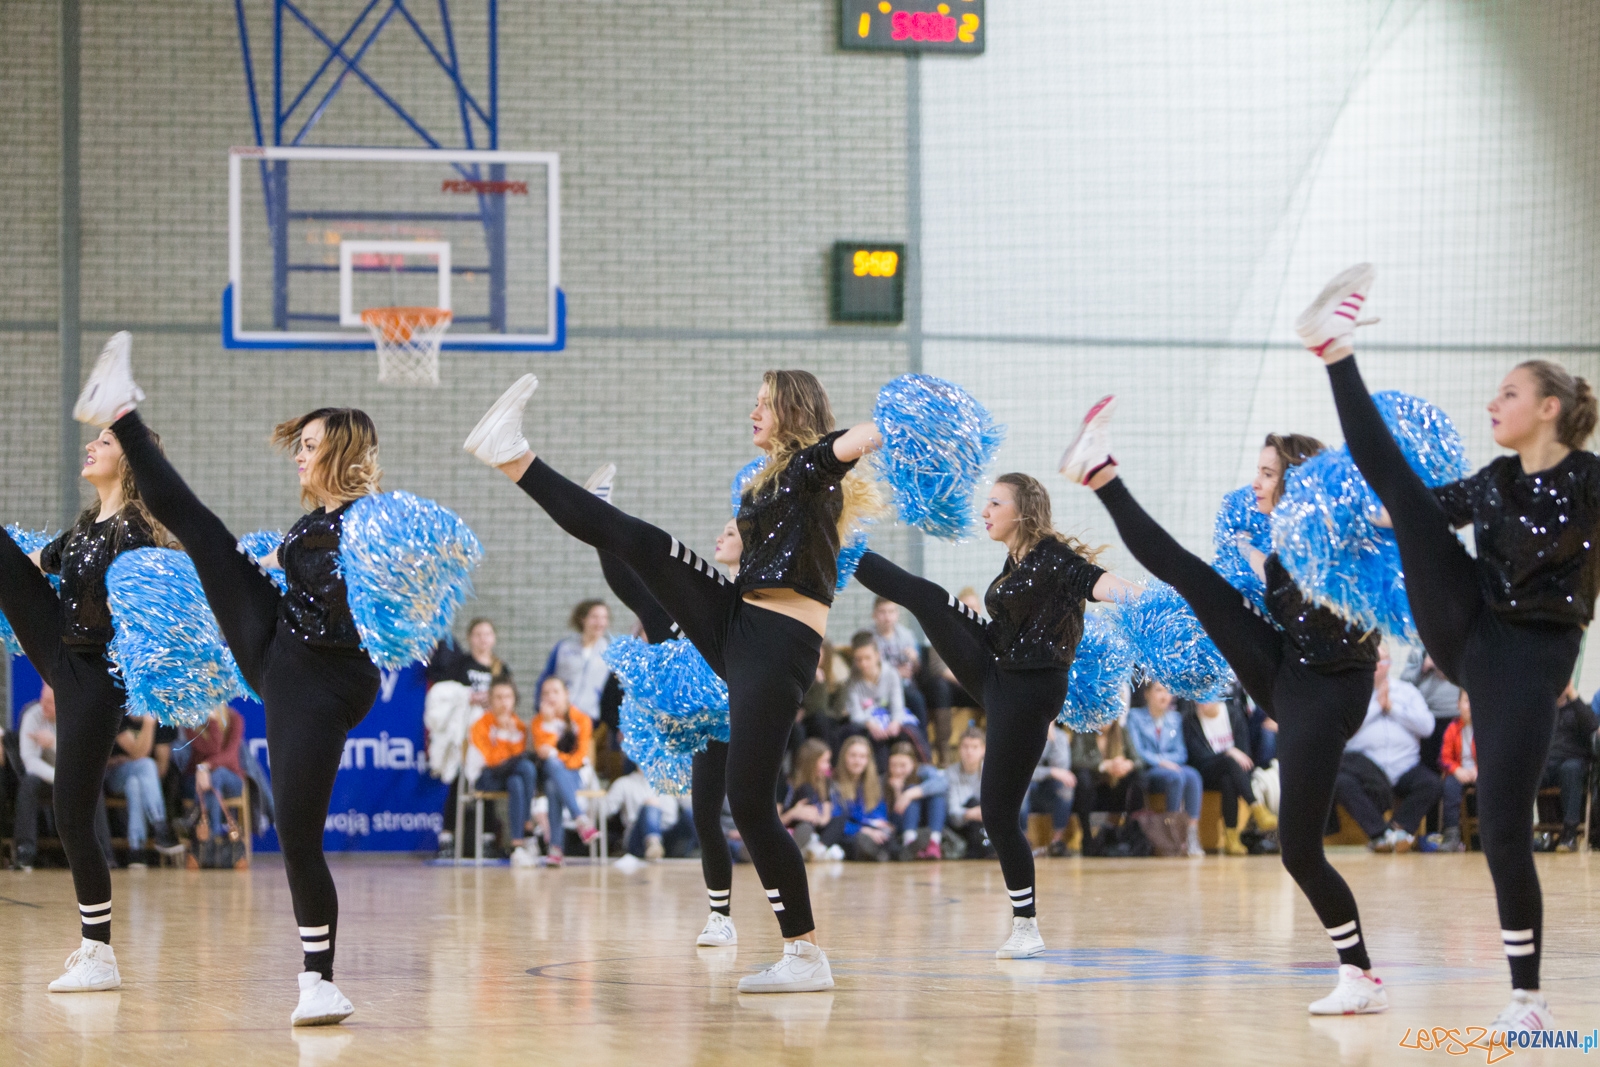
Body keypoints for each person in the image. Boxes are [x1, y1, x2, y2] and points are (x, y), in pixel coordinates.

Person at [466, 369, 886, 992]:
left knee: (746, 803)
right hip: (740, 622)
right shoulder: (769, 482)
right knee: (637, 542)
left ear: (793, 411)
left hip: (777, 646)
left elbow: (845, 444)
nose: (752, 411)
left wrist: (899, 422)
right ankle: (512, 455)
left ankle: (805, 955)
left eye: (764, 404)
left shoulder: (810, 469)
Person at [1301, 263, 1600, 1029]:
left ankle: (1526, 1001)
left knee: (1502, 824)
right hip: (1469, 627)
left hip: (1530, 661)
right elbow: (1423, 506)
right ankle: (1335, 350)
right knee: (1400, 496)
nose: (1492, 402)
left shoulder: (1594, 482)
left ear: (1550, 407)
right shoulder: (1495, 479)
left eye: (1508, 393)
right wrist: (1353, 521)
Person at [78, 337, 390, 1024]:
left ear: (340, 453)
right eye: (299, 443)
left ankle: (318, 979)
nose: (299, 455)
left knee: (299, 836)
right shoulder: (312, 523)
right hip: (278, 651)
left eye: (311, 445)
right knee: (200, 528)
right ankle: (122, 411)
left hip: (322, 680)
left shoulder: (373, 523)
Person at [1066, 403, 1390, 1014]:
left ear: (1294, 479)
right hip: (1291, 671)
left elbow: (1309, 602)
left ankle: (1362, 976)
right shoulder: (1278, 531)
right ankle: (1100, 472)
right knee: (1189, 576)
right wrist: (1247, 567)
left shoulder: (1337, 539)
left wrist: (1258, 565)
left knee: (1299, 851)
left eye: (1267, 473)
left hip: (1327, 693)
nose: (1255, 484)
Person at [853, 472, 1139, 958]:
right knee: (924, 596)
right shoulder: (1012, 561)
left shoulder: (1054, 559)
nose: (985, 511)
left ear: (1023, 510)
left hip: (1030, 690)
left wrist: (1152, 601)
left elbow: (1100, 583)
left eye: (995, 503)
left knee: (998, 811)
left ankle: (1026, 926)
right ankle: (841, 548)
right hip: (996, 665)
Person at [0, 394, 164, 992]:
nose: (90, 446)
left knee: (71, 810)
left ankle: (99, 953)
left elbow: (161, 605)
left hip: (99, 678)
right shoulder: (85, 525)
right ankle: (97, 953)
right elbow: (38, 563)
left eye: (105, 441)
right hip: (60, 649)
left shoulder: (140, 529)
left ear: (129, 461)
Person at [587, 464, 743, 948]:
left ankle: (787, 925)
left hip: (746, 712)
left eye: (731, 530)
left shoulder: (757, 596)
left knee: (750, 816)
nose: (720, 535)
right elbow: (630, 584)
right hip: (701, 710)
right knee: (703, 813)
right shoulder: (703, 592)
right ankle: (720, 916)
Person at [1336, 646, 1439, 852]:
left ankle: (1397, 830)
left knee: (1432, 783)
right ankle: (1379, 834)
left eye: (1381, 660)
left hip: (1404, 766)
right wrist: (1377, 705)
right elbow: (1345, 730)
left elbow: (1427, 727)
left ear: (1389, 664)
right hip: (1365, 768)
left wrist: (1393, 708)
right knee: (1341, 782)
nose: (1376, 666)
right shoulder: (1352, 693)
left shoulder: (1407, 691)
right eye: (1371, 660)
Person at [11, 685, 113, 873]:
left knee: (93, 787)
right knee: (27, 784)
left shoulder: (75, 720)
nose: (44, 706)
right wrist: (58, 778)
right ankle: (25, 851)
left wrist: (53, 744)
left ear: (62, 703)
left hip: (72, 777)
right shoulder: (32, 716)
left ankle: (105, 854)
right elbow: (29, 762)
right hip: (45, 778)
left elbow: (82, 762)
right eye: (42, 699)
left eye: (50, 703)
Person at [1183, 699, 1274, 856]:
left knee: (1228, 780)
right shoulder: (1190, 719)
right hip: (1205, 772)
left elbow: (1244, 756)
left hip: (1233, 774)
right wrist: (1228, 752)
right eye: (1198, 697)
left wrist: (1231, 755)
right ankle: (1256, 807)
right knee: (1229, 761)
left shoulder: (1233, 713)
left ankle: (1231, 838)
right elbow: (1198, 757)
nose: (1202, 701)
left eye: (1206, 695)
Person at [1126, 683, 1204, 856]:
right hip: (1148, 769)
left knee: (1193, 776)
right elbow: (1137, 751)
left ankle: (1191, 834)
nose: (1164, 695)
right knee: (1176, 777)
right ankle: (1172, 833)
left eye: (1168, 691)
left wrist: (1167, 762)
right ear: (1147, 694)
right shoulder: (1135, 716)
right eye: (1159, 690)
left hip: (1172, 766)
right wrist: (1160, 761)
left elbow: (1181, 753)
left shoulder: (1175, 718)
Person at [469, 680, 539, 866]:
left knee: (517, 781)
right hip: (487, 777)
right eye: (498, 697)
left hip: (509, 776)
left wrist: (511, 734)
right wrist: (502, 734)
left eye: (507, 697)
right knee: (526, 767)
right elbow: (491, 760)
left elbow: (515, 762)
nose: (503, 702)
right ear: (490, 701)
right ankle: (528, 825)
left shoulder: (519, 727)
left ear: (514, 700)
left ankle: (516, 845)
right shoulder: (480, 725)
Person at [529, 676, 598, 866]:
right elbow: (543, 753)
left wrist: (558, 757)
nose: (551, 697)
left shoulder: (582, 720)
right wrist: (549, 723)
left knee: (554, 774)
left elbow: (579, 757)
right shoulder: (538, 722)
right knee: (551, 776)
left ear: (566, 694)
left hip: (577, 774)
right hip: (550, 775)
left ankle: (555, 848)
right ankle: (580, 819)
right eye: (546, 693)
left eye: (555, 692)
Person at [842, 631, 929, 770]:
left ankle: (927, 767)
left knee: (909, 732)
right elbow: (856, 714)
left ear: (877, 655)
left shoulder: (891, 674)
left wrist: (895, 723)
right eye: (858, 659)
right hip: (868, 723)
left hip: (890, 720)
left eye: (867, 658)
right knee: (869, 738)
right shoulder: (852, 682)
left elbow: (897, 704)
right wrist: (869, 723)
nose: (863, 663)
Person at [103, 711, 180, 867]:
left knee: (135, 784)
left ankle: (136, 851)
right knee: (146, 764)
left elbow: (162, 769)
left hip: (144, 780)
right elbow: (139, 754)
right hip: (113, 776)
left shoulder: (164, 718)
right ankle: (160, 825)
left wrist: (139, 768)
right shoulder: (118, 714)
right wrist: (148, 724)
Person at [183, 703, 248, 858]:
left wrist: (206, 766)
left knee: (216, 776)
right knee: (212, 783)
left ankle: (207, 845)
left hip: (231, 778)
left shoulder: (234, 718)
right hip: (196, 781)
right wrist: (211, 722)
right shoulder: (189, 722)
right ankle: (214, 844)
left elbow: (230, 755)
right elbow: (213, 748)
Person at [1069, 719, 1144, 845]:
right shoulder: (1082, 730)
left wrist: (1127, 765)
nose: (1104, 720)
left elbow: (1138, 761)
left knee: (1137, 777)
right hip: (1091, 790)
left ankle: (1130, 834)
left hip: (1115, 789)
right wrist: (1103, 766)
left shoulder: (1121, 731)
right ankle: (1087, 837)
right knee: (1083, 777)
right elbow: (1076, 760)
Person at [1543, 682, 1596, 853]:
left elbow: (1593, 726)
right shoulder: (1544, 711)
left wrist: (1573, 694)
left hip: (1572, 761)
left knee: (1570, 769)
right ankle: (1524, 834)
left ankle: (1570, 834)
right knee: (1526, 773)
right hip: (1548, 763)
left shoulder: (1578, 708)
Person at [539, 600, 612, 720]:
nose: (600, 622)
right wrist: (541, 705)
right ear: (582, 619)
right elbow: (547, 677)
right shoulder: (564, 647)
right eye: (595, 617)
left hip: (592, 718)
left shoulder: (609, 652)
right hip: (561, 716)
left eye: (604, 617)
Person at [605, 762, 688, 860]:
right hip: (638, 837)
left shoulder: (671, 782)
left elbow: (690, 805)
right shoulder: (624, 783)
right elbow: (604, 811)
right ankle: (653, 843)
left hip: (669, 834)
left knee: (690, 815)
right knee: (651, 807)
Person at [781, 738, 845, 860]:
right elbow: (782, 818)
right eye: (825, 761)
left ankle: (818, 848)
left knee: (840, 818)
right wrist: (795, 813)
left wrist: (817, 819)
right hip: (796, 827)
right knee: (805, 826)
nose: (829, 766)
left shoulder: (825, 783)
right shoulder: (791, 784)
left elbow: (825, 817)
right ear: (812, 762)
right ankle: (812, 849)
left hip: (816, 827)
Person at [883, 740, 948, 859]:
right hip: (901, 824)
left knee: (937, 796)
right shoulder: (885, 780)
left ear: (913, 763)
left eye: (902, 765)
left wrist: (908, 794)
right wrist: (898, 792)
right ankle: (910, 843)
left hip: (927, 821)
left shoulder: (924, 771)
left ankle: (934, 843)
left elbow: (943, 783)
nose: (897, 770)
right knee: (912, 788)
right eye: (893, 765)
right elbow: (894, 815)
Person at [834, 735, 893, 861]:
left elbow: (879, 812)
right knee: (857, 841)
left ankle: (885, 852)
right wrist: (863, 829)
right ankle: (880, 854)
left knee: (888, 835)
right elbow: (836, 821)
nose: (857, 761)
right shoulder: (834, 784)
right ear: (844, 757)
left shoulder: (874, 784)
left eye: (862, 757)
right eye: (853, 756)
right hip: (849, 832)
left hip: (870, 829)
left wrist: (880, 824)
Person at [872, 596, 928, 726]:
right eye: (882, 612)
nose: (887, 617)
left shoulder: (906, 635)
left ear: (897, 614)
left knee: (918, 699)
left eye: (891, 612)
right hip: (878, 687)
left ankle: (923, 742)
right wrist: (895, 673)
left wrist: (914, 660)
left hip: (905, 686)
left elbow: (917, 670)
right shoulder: (870, 637)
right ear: (874, 614)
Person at [1022, 721, 1075, 857]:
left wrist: (1052, 741)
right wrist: (1050, 771)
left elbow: (1062, 770)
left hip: (1047, 789)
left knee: (1065, 787)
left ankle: (1056, 843)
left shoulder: (1060, 737)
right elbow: (1021, 771)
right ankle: (1023, 842)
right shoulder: (1021, 735)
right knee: (1020, 788)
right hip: (1027, 786)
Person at [1403, 651, 1461, 773]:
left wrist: (1451, 669)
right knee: (1428, 767)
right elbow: (1403, 685)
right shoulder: (1418, 652)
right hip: (1429, 717)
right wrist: (1423, 668)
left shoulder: (1460, 648)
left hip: (1457, 715)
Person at [1438, 689, 1477, 852]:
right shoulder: (1452, 728)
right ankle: (1452, 835)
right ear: (1458, 705)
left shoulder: (1486, 728)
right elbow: (1444, 758)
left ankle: (1486, 835)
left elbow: (1492, 755)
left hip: (1479, 773)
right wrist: (1457, 770)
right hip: (1459, 772)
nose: (1470, 706)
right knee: (1450, 787)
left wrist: (1478, 770)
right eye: (1467, 701)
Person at [944, 728, 989, 858]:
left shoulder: (991, 771)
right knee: (972, 802)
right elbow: (953, 812)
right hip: (962, 823)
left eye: (974, 747)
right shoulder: (951, 773)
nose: (969, 752)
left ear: (983, 749)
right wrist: (969, 813)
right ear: (959, 749)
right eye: (965, 747)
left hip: (988, 820)